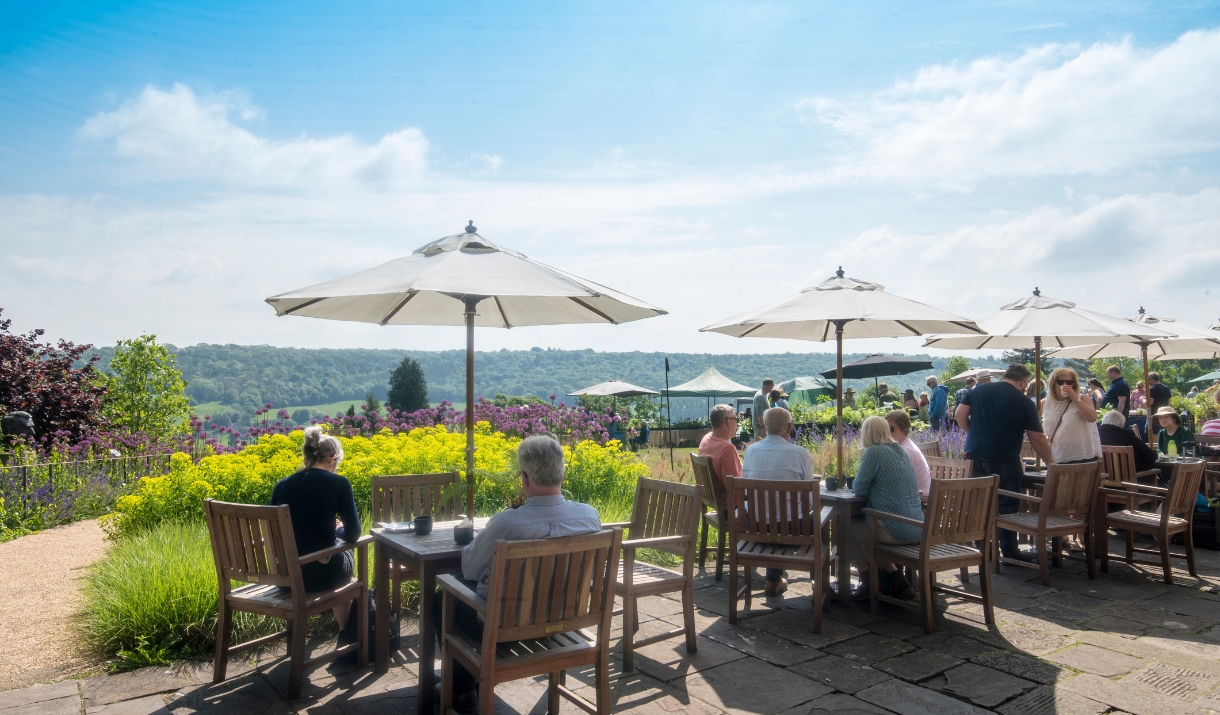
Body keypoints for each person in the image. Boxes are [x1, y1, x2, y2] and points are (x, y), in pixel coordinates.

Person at [439, 436, 602, 709]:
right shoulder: (589, 517)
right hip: (563, 619)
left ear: (525, 479)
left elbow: (470, 569)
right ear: (563, 474)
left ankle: (461, 690)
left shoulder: (506, 524)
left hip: (504, 626)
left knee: (444, 597)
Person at [955, 364, 1053, 563]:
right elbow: (1036, 438)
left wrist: (973, 434)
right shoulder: (1024, 402)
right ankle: (1009, 551)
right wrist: (1051, 463)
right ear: (1022, 382)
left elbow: (959, 414)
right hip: (1004, 457)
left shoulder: (978, 390)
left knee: (980, 501)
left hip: (974, 453)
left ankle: (982, 546)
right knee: (1006, 504)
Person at [269, 426, 361, 628]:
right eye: (336, 462)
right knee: (345, 551)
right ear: (331, 459)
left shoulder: (282, 485)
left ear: (307, 457)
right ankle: (346, 631)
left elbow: (272, 531)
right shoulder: (339, 483)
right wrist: (338, 529)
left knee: (334, 550)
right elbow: (354, 534)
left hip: (284, 578)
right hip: (322, 576)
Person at [741, 407, 814, 595]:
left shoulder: (751, 451)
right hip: (791, 530)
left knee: (773, 516)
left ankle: (773, 581)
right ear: (789, 427)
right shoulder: (799, 453)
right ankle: (818, 582)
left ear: (765, 427)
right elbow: (809, 502)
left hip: (754, 528)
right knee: (817, 520)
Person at [849, 416, 921, 601]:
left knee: (844, 528)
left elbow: (860, 489)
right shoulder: (901, 450)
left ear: (866, 434)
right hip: (916, 528)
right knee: (867, 532)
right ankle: (896, 578)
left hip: (894, 530)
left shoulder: (874, 452)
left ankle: (868, 580)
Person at [698, 404, 742, 506]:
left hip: (715, 501)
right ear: (729, 422)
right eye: (736, 419)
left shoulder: (706, 439)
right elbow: (733, 487)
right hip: (731, 506)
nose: (737, 423)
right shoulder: (727, 449)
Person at [885, 410, 930, 497]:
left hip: (919, 498)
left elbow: (895, 481)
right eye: (884, 429)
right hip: (914, 495)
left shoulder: (905, 451)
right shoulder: (905, 445)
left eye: (891, 429)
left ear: (904, 431)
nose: (887, 433)